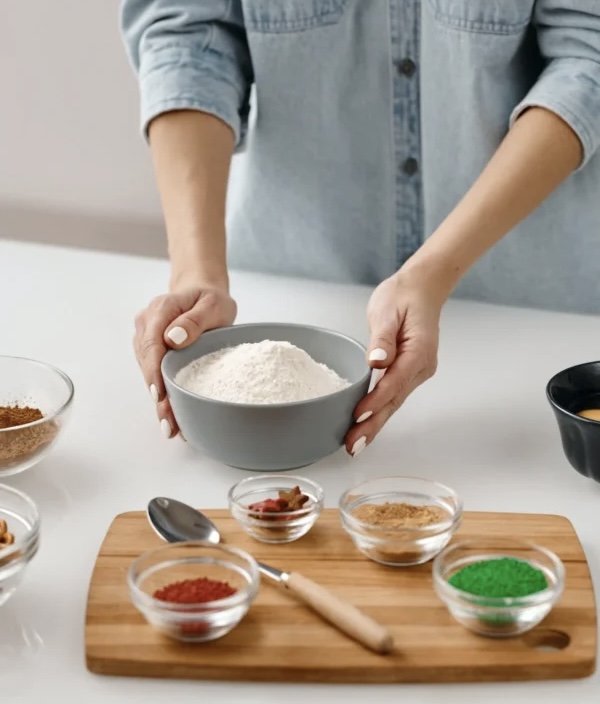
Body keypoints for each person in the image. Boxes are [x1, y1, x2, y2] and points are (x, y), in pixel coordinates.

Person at [119, 1, 600, 457]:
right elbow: (187, 36)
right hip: (292, 275)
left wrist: (432, 272)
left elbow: (588, 51)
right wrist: (195, 275)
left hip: (531, 315)